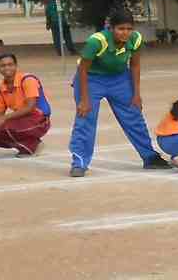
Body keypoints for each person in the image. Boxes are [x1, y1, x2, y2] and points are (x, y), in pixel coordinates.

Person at [69, 13, 169, 177]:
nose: (125, 32)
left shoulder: (135, 39)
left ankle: (150, 157)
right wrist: (84, 99)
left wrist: (136, 94)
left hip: (120, 78)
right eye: (120, 29)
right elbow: (83, 70)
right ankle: (79, 162)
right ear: (111, 28)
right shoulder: (97, 41)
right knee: (85, 119)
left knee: (134, 117)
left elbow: (135, 65)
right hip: (92, 79)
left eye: (129, 28)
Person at [0, 52, 51, 157]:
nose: (7, 68)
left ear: (16, 66)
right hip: (20, 120)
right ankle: (26, 144)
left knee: (6, 127)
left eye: (10, 64)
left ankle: (33, 145)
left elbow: (30, 107)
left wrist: (4, 119)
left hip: (39, 120)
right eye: (3, 65)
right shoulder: (1, 89)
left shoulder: (27, 80)